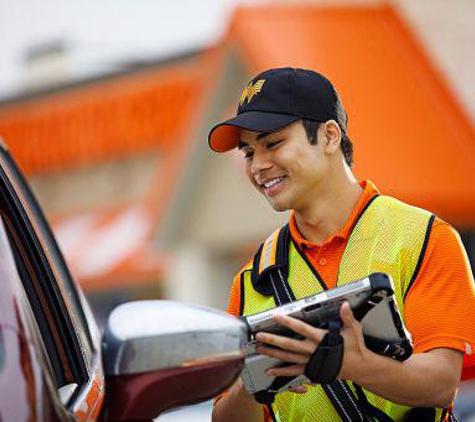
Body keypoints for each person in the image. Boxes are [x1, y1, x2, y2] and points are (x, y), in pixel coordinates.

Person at [208, 67, 475, 421]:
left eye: (273, 143)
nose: (259, 165)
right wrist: (256, 384)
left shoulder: (424, 236)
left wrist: (352, 365)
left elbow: (442, 382)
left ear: (330, 135)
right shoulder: (250, 279)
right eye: (248, 153)